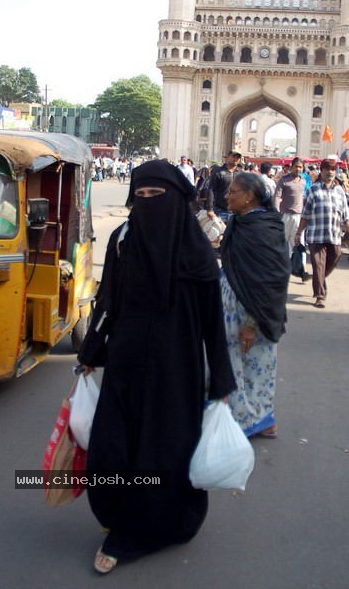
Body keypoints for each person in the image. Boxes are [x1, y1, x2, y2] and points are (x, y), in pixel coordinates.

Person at [77, 159, 236, 574]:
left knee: (162, 450)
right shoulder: (122, 241)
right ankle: (120, 515)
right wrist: (91, 352)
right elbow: (106, 301)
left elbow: (211, 321)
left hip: (177, 370)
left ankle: (146, 531)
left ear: (179, 200)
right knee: (114, 447)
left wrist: (220, 376)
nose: (149, 203)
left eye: (157, 196)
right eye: (141, 195)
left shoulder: (197, 250)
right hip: (126, 363)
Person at [220, 172, 290, 439]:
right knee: (237, 366)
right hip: (232, 312)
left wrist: (251, 323)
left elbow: (272, 280)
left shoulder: (263, 229)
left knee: (254, 368)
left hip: (252, 315)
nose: (228, 196)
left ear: (249, 196)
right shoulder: (241, 223)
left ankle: (256, 421)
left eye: (233, 192)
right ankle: (243, 420)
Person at [295, 159, 349, 308]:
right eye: (327, 169)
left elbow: (345, 216)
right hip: (316, 235)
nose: (330, 172)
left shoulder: (340, 191)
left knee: (335, 258)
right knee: (318, 264)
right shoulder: (313, 190)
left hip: (334, 235)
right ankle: (320, 296)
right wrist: (298, 233)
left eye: (333, 170)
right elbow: (305, 214)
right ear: (321, 171)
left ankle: (318, 277)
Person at [273, 157, 309, 281]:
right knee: (282, 243)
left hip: (299, 217)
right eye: (296, 166)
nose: (298, 169)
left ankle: (301, 270)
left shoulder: (304, 181)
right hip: (285, 216)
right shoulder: (284, 180)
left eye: (300, 167)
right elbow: (277, 196)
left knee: (299, 244)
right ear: (291, 167)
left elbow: (307, 197)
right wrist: (277, 211)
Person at [206, 150, 242, 223]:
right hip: (220, 211)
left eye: (238, 157)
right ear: (227, 157)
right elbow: (211, 190)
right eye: (234, 156)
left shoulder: (240, 174)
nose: (236, 159)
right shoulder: (218, 172)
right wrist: (209, 209)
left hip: (236, 212)